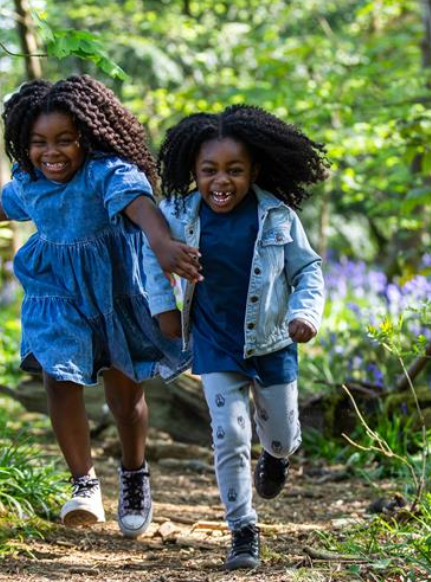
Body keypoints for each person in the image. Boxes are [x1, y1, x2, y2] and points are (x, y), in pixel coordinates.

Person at [0, 75, 201, 538]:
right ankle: (84, 483)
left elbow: (141, 205)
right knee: (57, 375)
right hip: (55, 290)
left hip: (116, 291)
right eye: (39, 142)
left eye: (65, 140)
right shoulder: (31, 181)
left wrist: (162, 242)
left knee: (125, 399)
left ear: (87, 137)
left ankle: (133, 474)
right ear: (25, 144)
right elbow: (9, 205)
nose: (52, 152)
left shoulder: (106, 173)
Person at [143, 105, 328, 569]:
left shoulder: (277, 215)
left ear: (254, 171)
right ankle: (243, 529)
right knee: (228, 434)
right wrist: (164, 306)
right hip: (213, 341)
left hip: (272, 342)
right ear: (194, 171)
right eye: (209, 171)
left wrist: (304, 314)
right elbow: (151, 255)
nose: (220, 181)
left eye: (234, 170)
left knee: (281, 437)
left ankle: (277, 456)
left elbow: (308, 270)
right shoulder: (177, 212)